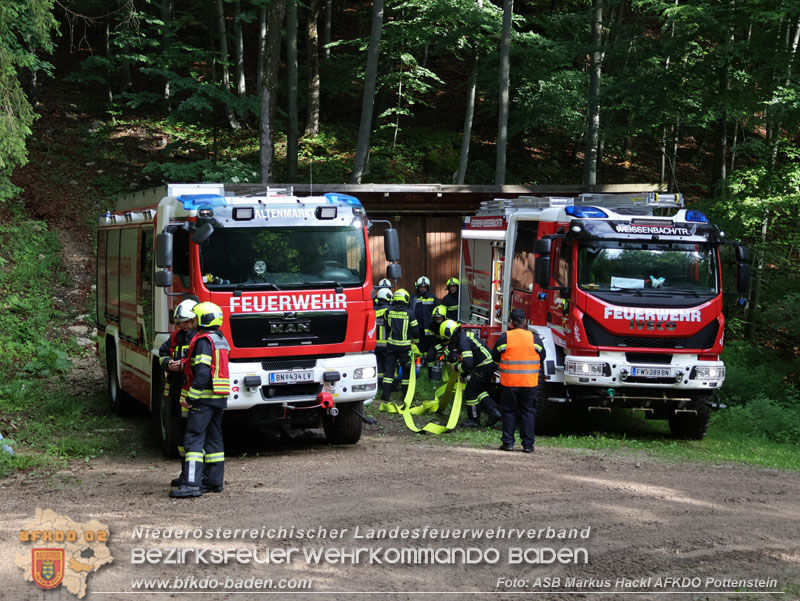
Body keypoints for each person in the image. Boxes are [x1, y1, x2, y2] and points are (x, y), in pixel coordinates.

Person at [170, 302, 231, 498]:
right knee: (214, 439)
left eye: (195, 317)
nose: (192, 321)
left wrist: (191, 397)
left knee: (193, 439)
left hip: (203, 399)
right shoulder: (220, 338)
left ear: (204, 319)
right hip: (218, 398)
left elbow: (203, 373)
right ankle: (213, 481)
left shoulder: (204, 341)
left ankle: (191, 484)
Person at [159, 299, 198, 484]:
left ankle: (197, 475)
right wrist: (168, 363)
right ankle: (185, 473)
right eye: (180, 322)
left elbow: (199, 363)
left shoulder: (200, 338)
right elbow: (162, 353)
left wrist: (181, 365)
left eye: (186, 322)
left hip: (193, 395)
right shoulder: (175, 337)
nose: (183, 325)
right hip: (176, 393)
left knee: (194, 435)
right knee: (180, 434)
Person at [492, 308, 542, 453]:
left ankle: (508, 443)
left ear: (511, 323)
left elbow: (494, 356)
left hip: (510, 383)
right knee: (528, 412)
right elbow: (542, 355)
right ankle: (527, 445)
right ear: (524, 322)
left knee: (509, 412)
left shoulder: (505, 337)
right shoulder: (534, 338)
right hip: (529, 383)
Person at [441, 320, 502, 428]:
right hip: (487, 365)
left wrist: (457, 368)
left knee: (470, 390)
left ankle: (473, 419)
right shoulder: (463, 336)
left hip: (484, 366)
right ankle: (494, 412)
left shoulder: (462, 341)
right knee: (479, 390)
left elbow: (468, 363)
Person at [381, 289, 420, 402]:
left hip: (391, 346)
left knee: (389, 371)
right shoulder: (410, 314)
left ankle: (385, 396)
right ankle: (406, 396)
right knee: (406, 372)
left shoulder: (388, 312)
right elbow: (415, 330)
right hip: (405, 347)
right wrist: (416, 342)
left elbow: (387, 328)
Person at [410, 276, 438, 377]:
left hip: (429, 327)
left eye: (425, 287)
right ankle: (419, 361)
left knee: (428, 345)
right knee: (418, 345)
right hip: (417, 326)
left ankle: (427, 361)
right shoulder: (413, 297)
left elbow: (437, 310)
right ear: (418, 287)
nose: (423, 289)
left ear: (428, 287)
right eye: (421, 287)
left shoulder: (432, 297)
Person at [374, 287, 393, 400]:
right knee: (389, 365)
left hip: (375, 344)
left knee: (378, 364)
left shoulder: (373, 309)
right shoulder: (389, 310)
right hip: (387, 343)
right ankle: (390, 385)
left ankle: (379, 384)